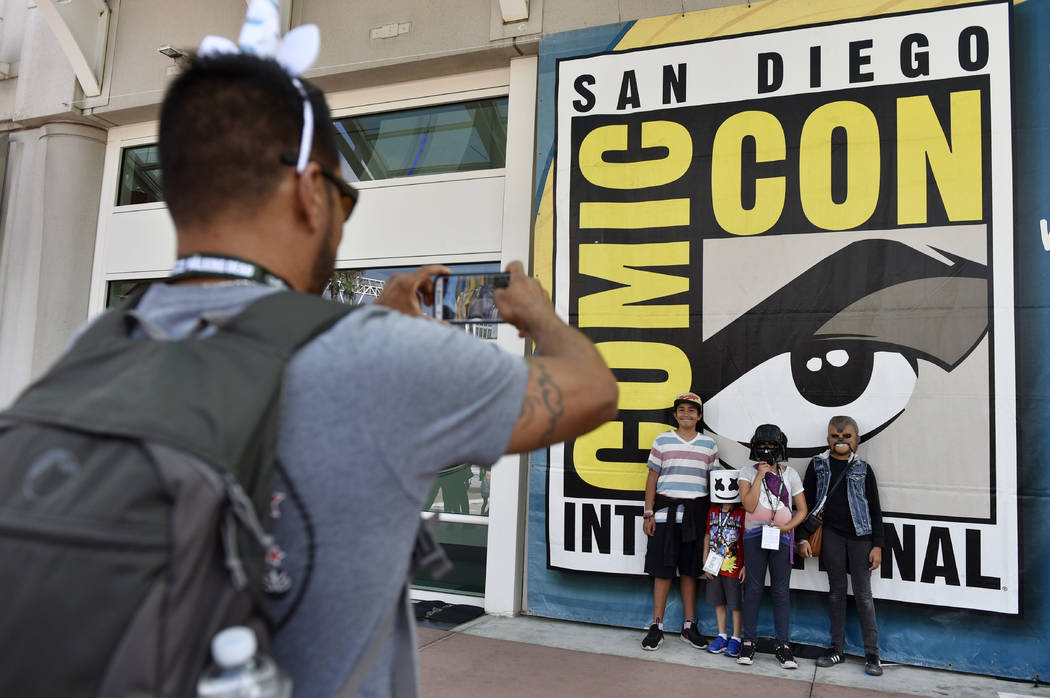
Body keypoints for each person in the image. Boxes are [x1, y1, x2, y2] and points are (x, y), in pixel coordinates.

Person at [130, 49, 618, 698]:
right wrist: (540, 317)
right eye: (345, 197)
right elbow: (592, 389)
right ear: (310, 191)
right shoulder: (378, 359)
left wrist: (367, 320)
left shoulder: (102, 348)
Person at [799, 416, 885, 676]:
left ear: (856, 439)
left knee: (863, 595)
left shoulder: (863, 469)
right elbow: (805, 504)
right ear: (828, 438)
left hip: (861, 537)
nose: (840, 440)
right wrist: (803, 537)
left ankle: (872, 653)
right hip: (832, 536)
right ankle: (837, 648)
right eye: (835, 436)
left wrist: (877, 545)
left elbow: (874, 508)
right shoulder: (817, 466)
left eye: (847, 436)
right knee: (836, 593)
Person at [640, 392, 717, 651]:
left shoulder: (709, 446)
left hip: (696, 515)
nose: (686, 414)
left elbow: (714, 483)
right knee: (663, 570)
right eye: (681, 410)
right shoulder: (662, 441)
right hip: (665, 514)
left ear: (700, 416)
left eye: (692, 410)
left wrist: (713, 521)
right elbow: (652, 478)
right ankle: (657, 626)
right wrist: (648, 512)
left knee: (689, 570)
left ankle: (688, 625)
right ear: (675, 415)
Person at [736, 424, 807, 669]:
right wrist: (759, 475)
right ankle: (749, 642)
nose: (766, 450)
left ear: (780, 448)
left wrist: (787, 529)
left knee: (780, 591)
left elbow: (803, 510)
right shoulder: (747, 471)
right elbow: (748, 505)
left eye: (771, 446)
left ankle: (782, 645)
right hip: (755, 536)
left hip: (782, 537)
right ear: (755, 447)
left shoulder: (791, 474)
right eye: (762, 446)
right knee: (753, 590)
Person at [702, 469, 746, 658]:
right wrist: (705, 559)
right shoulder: (712, 511)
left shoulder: (742, 514)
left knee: (735, 604)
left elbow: (747, 540)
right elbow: (707, 535)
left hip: (735, 566)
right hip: (714, 565)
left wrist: (747, 565)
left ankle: (736, 637)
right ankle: (722, 636)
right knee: (718, 601)